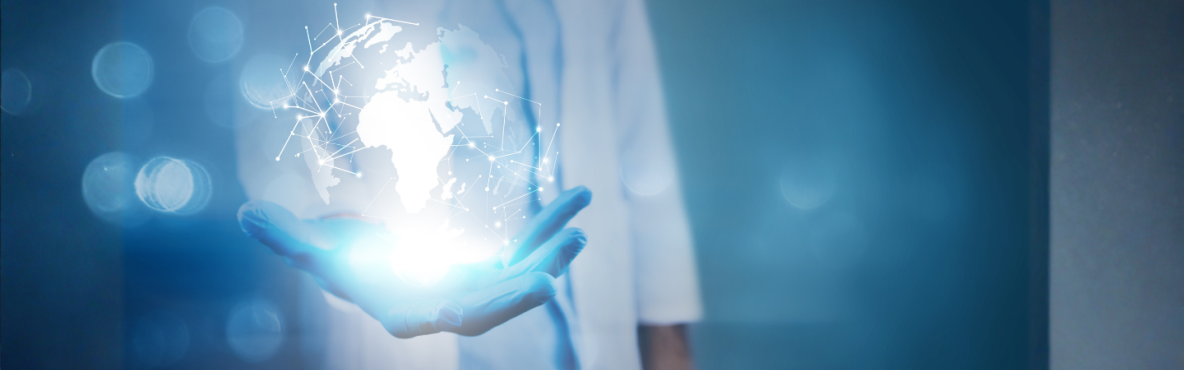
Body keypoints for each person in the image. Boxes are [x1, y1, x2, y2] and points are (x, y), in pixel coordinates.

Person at [233, 0, 700, 368]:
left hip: (593, 335)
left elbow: (645, 155)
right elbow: (276, 125)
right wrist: (350, 245)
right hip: (410, 329)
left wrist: (668, 346)